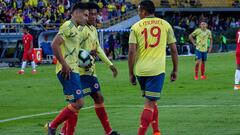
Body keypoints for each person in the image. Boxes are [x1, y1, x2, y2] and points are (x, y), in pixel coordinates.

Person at [59, 3, 120, 135]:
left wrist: (110, 64)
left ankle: (108, 132)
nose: (92, 16)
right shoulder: (80, 30)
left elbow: (97, 48)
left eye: (94, 13)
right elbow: (71, 48)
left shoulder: (93, 29)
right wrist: (86, 52)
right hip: (79, 72)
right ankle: (64, 132)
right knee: (78, 103)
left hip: (90, 71)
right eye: (89, 14)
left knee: (97, 98)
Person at [128, 1, 178, 135]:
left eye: (139, 11)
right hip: (156, 70)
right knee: (150, 103)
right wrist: (175, 69)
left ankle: (156, 131)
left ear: (144, 11)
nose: (138, 14)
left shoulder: (135, 27)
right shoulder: (165, 25)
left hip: (140, 70)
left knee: (152, 100)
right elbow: (173, 49)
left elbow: (132, 51)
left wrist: (131, 73)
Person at [45, 3, 89, 135]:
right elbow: (54, 44)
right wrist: (64, 64)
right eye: (85, 15)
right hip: (68, 71)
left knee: (74, 104)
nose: (87, 18)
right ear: (77, 13)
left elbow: (70, 49)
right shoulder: (68, 26)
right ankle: (52, 126)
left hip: (72, 69)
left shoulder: (75, 29)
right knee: (79, 103)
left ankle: (66, 133)